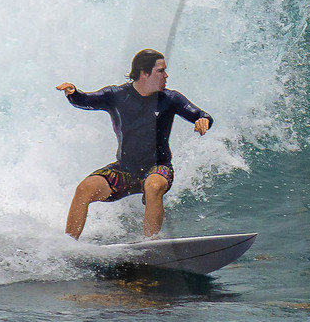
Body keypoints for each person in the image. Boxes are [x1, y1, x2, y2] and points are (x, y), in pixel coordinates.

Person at [56, 48, 212, 239]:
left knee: (153, 185)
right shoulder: (116, 95)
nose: (166, 75)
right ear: (144, 73)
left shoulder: (170, 99)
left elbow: (199, 114)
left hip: (158, 167)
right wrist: (72, 93)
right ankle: (69, 244)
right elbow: (85, 100)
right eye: (160, 71)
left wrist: (203, 120)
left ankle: (151, 244)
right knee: (84, 188)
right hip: (125, 170)